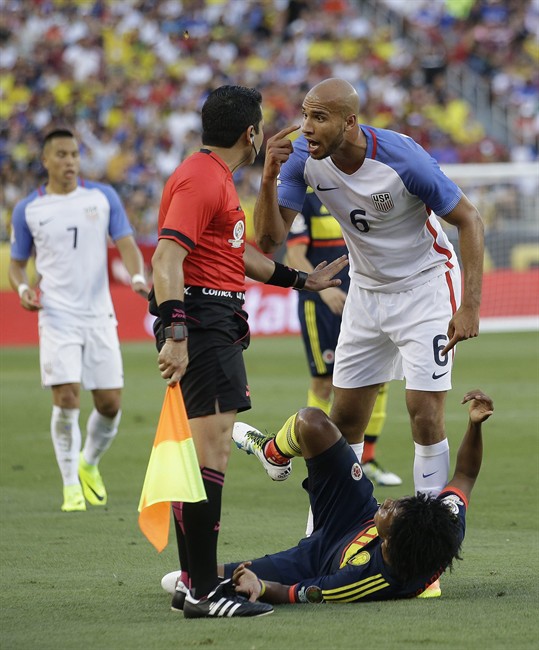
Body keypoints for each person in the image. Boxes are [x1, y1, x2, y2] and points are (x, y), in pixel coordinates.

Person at [150, 85, 348, 619]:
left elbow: (242, 259)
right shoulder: (200, 179)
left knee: (201, 459)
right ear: (251, 133)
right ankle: (203, 592)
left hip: (214, 320)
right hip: (204, 321)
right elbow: (166, 258)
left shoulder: (212, 177)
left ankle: (195, 582)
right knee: (207, 458)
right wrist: (176, 331)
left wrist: (301, 280)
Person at [253, 78, 484, 505]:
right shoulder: (302, 156)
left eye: (319, 117)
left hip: (425, 287)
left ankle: (428, 548)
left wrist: (469, 306)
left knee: (425, 414)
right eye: (304, 115)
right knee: (343, 420)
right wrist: (268, 179)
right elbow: (268, 241)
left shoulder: (404, 159)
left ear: (350, 122)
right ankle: (330, 534)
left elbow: (470, 220)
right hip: (366, 289)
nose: (306, 127)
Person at [222, 389, 493, 604]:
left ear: (390, 542)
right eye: (401, 503)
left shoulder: (368, 577)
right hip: (356, 515)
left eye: (392, 512)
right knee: (312, 422)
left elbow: (295, 594)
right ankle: (273, 453)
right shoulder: (445, 522)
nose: (388, 502)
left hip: (319, 559)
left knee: (220, 576)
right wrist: (475, 424)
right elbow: (466, 475)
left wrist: (261, 586)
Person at [8, 127, 150, 513]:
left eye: (74, 154)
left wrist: (138, 276)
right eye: (62, 155)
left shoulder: (102, 197)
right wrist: (22, 291)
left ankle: (88, 463)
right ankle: (70, 484)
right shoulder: (28, 210)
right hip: (56, 315)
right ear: (45, 160)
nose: (70, 161)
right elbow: (17, 266)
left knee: (109, 405)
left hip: (99, 315)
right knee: (67, 397)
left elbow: (126, 244)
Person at [286, 188, 401, 488]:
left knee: (378, 378)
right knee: (324, 382)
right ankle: (320, 460)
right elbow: (294, 254)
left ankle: (367, 460)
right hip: (321, 305)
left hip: (364, 301)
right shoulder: (306, 200)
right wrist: (323, 290)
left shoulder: (357, 193)